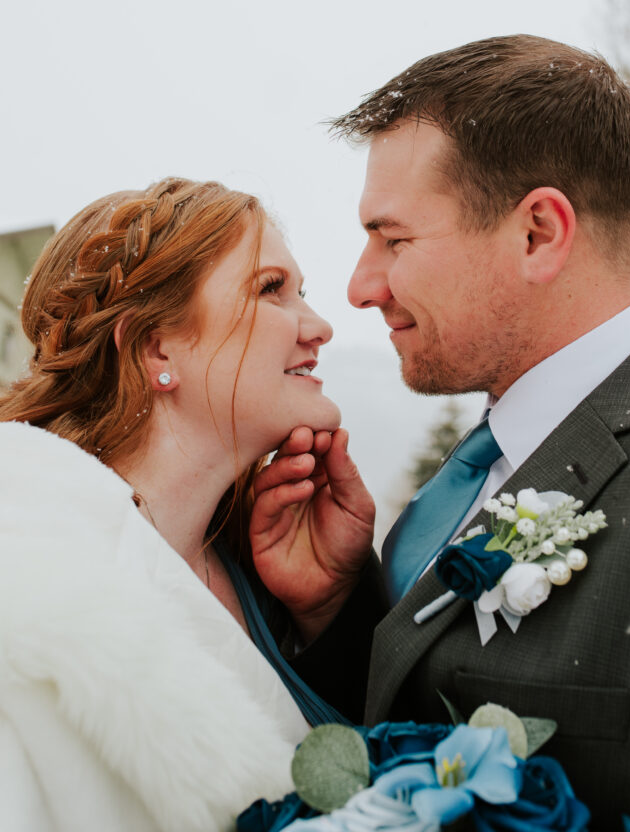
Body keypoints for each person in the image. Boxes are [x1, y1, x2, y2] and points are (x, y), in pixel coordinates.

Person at [250, 36, 630, 831]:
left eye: (395, 238)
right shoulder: (474, 469)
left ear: (538, 234)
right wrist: (338, 611)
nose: (359, 286)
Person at [0, 177, 374, 832]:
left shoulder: (259, 564)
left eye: (302, 292)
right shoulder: (30, 602)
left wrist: (327, 611)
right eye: (271, 290)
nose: (319, 327)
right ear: (156, 348)